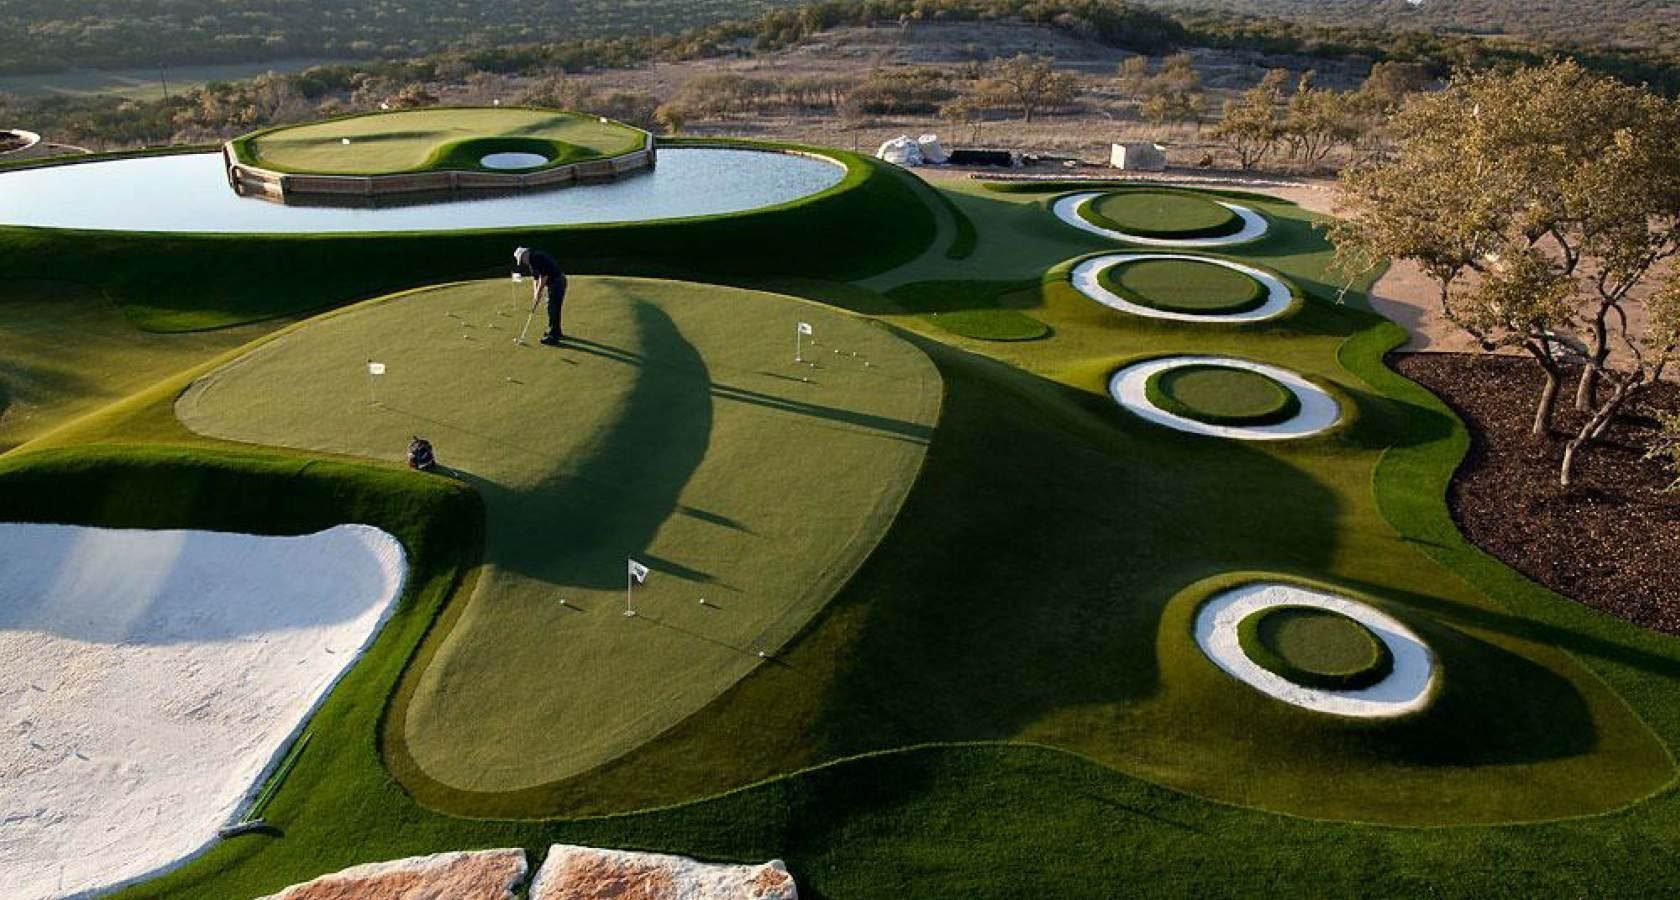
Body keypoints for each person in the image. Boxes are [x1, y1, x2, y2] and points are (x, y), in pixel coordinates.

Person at [513, 246, 568, 346]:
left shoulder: (536, 257)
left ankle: (553, 336)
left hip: (557, 282)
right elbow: (535, 279)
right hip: (554, 282)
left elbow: (544, 276)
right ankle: (556, 331)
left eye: (521, 259)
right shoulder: (531, 262)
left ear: (525, 254)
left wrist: (539, 292)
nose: (522, 262)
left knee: (552, 308)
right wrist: (535, 295)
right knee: (553, 307)